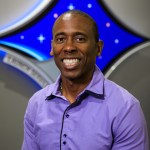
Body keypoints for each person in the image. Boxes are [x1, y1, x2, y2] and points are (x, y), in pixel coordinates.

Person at [22, 10, 149, 150]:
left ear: (98, 48)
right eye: (61, 39)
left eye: (80, 39)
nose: (69, 47)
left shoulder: (125, 108)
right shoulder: (36, 104)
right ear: (52, 47)